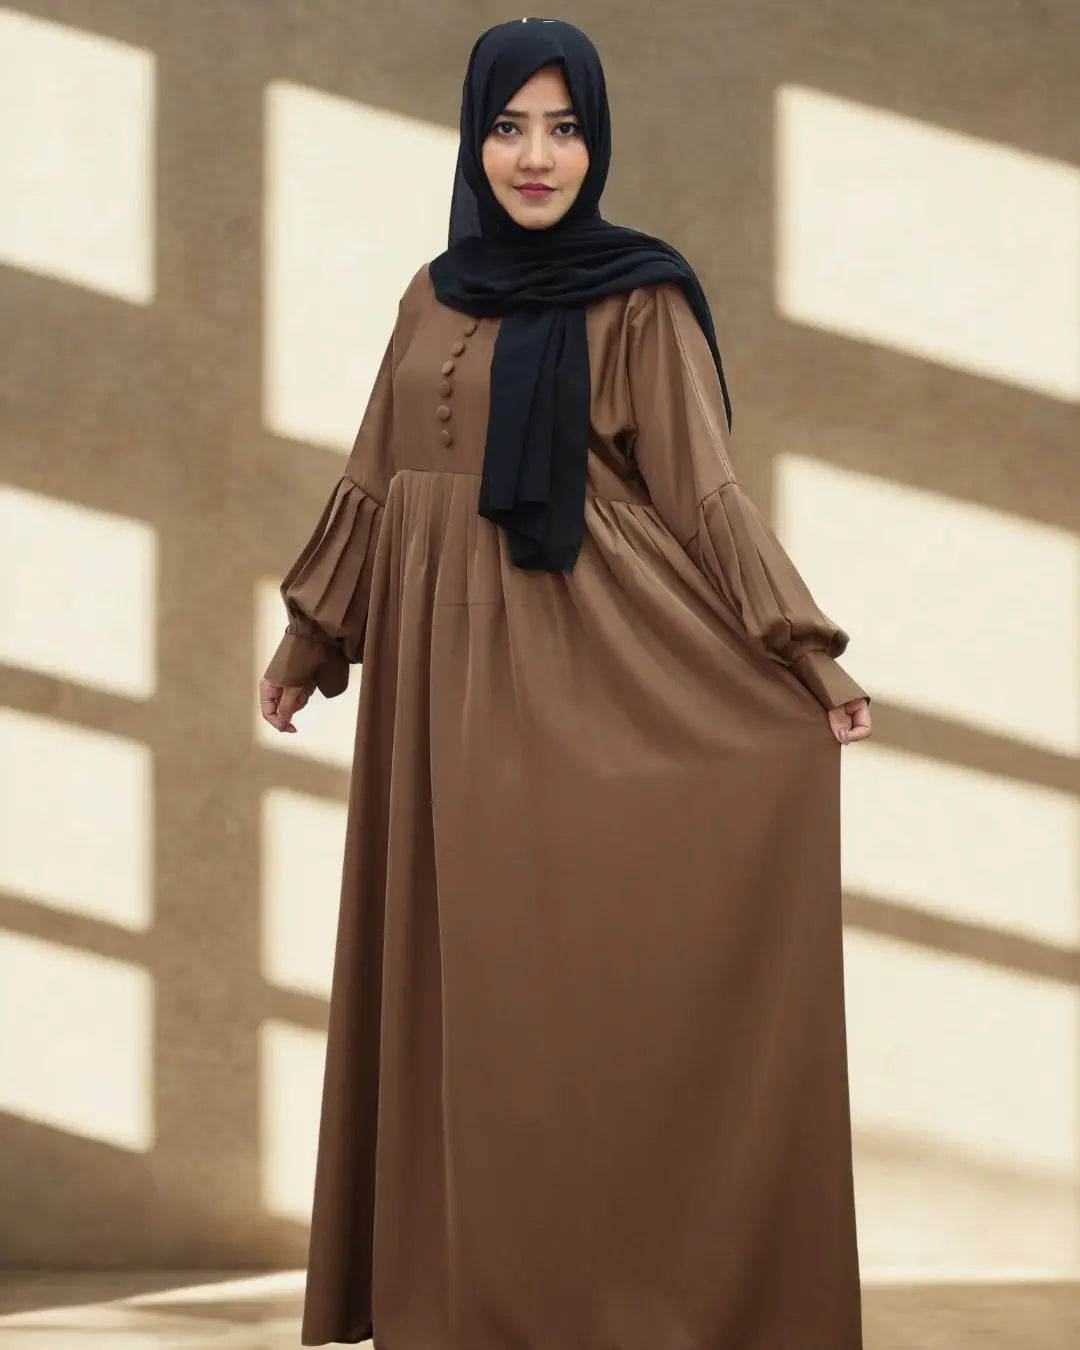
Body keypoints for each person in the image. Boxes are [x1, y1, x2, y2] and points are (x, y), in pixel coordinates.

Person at [260, 17, 870, 1350]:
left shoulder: (638, 296)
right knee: (460, 995)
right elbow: (374, 477)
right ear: (475, 138)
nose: (538, 156)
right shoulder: (431, 291)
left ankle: (626, 1296)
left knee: (557, 996)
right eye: (510, 125)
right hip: (438, 679)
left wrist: (797, 649)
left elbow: (702, 490)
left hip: (586, 662)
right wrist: (315, 637)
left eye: (566, 126)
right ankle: (472, 1296)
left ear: (597, 141)